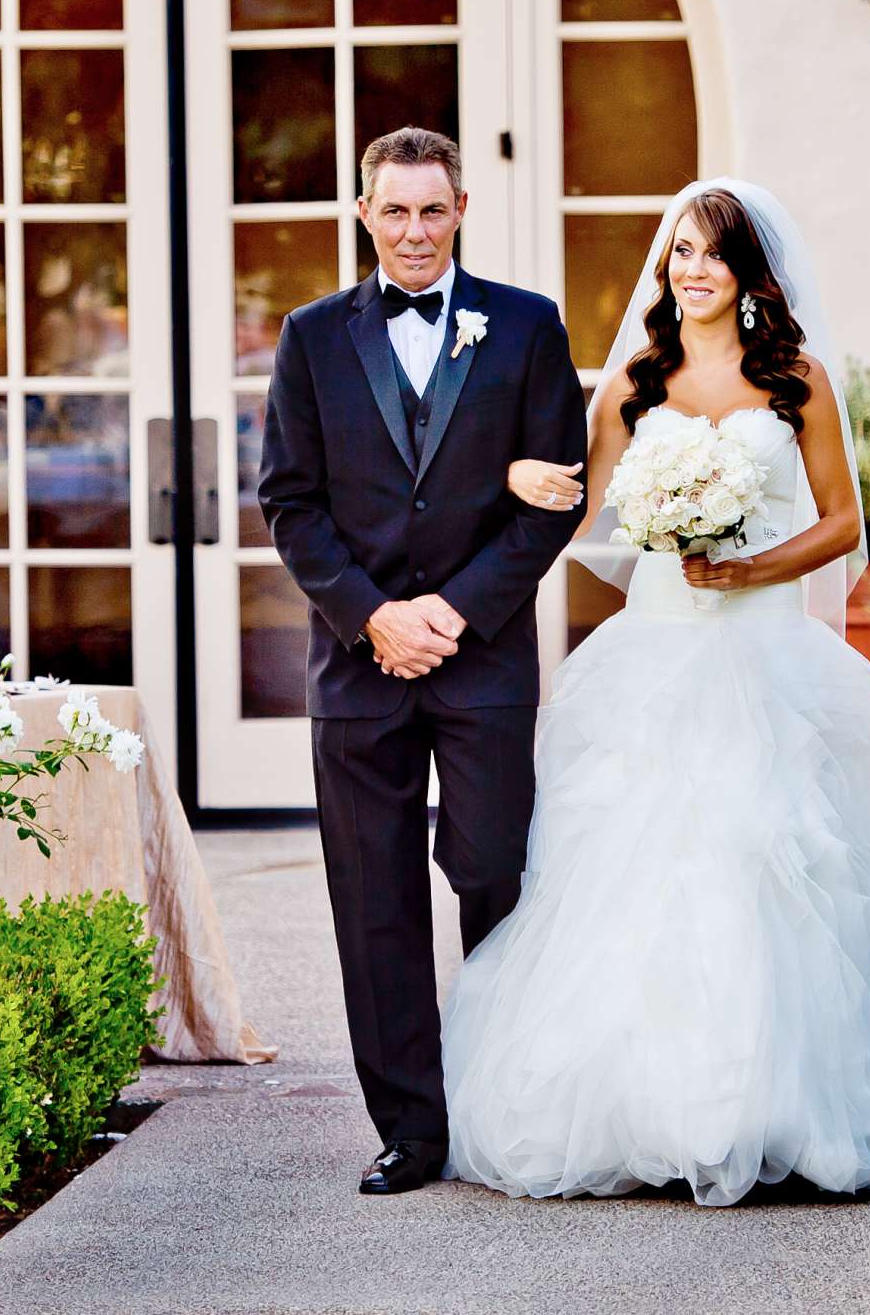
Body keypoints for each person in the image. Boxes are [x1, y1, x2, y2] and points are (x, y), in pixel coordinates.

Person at [440, 178, 870, 1206]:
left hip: (766, 652)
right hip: (658, 652)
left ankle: (793, 1114)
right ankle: (656, 1113)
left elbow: (845, 524)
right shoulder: (635, 378)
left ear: (748, 271)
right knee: (643, 873)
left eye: (714, 252)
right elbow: (582, 504)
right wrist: (518, 484)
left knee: (775, 862)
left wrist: (756, 567)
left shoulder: (796, 378)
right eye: (679, 252)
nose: (694, 269)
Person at [256, 126, 587, 1197]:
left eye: (430, 210)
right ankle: (413, 1129)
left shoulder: (528, 328)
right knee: (376, 898)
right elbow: (290, 504)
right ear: (364, 214)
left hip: (481, 657)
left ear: (460, 211)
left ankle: (504, 1100)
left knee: (493, 868)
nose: (412, 231)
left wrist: (451, 609)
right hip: (358, 669)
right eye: (393, 211)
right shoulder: (310, 338)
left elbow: (555, 496)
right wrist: (372, 619)